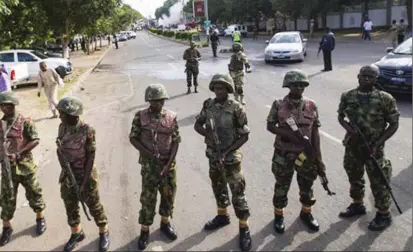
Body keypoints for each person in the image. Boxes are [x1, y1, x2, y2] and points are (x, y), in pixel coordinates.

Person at [337, 65, 400, 231]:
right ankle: (357, 204)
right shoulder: (348, 96)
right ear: (358, 76)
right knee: (354, 176)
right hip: (352, 146)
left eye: (371, 76)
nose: (366, 78)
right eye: (364, 75)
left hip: (374, 149)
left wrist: (379, 142)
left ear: (376, 79)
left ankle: (383, 214)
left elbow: (394, 124)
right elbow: (340, 116)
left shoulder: (385, 98)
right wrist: (349, 130)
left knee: (379, 181)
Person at [194, 74, 252, 252]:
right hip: (213, 156)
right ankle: (222, 216)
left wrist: (228, 151)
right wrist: (208, 135)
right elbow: (198, 125)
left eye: (222, 88)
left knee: (237, 191)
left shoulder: (237, 108)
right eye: (216, 88)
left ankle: (244, 227)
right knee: (218, 186)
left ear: (228, 89)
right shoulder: (208, 105)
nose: (219, 91)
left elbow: (244, 135)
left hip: (231, 158)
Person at [266, 70, 326, 234]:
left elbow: (315, 133)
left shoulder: (311, 105)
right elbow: (270, 126)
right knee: (281, 186)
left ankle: (306, 213)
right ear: (288, 86)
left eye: (302, 84)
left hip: (304, 155)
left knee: (307, 185)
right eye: (295, 85)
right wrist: (288, 134)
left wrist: (318, 158)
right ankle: (279, 216)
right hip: (283, 153)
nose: (299, 87)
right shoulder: (278, 104)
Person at [0, 92, 47, 246]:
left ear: (13, 104)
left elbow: (35, 140)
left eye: (7, 104)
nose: (4, 108)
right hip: (7, 170)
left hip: (25, 167)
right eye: (1, 105)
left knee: (34, 193)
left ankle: (40, 218)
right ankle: (7, 228)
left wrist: (19, 153)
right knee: (6, 199)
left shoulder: (25, 121)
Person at [129, 84, 180, 250]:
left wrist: (169, 163)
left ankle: (165, 223)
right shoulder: (140, 116)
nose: (157, 103)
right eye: (154, 100)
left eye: (160, 100)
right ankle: (145, 230)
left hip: (168, 166)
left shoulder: (171, 117)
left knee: (168, 196)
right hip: (150, 167)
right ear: (148, 100)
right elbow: (133, 138)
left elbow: (176, 141)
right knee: (148, 199)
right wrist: (150, 155)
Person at [55, 97, 110, 252]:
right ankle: (77, 233)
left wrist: (84, 181)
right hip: (68, 174)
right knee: (70, 205)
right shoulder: (62, 127)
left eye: (62, 113)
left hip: (85, 174)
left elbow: (91, 157)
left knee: (94, 205)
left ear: (72, 114)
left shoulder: (87, 130)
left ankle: (104, 231)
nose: (59, 116)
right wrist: (65, 170)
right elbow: (59, 149)